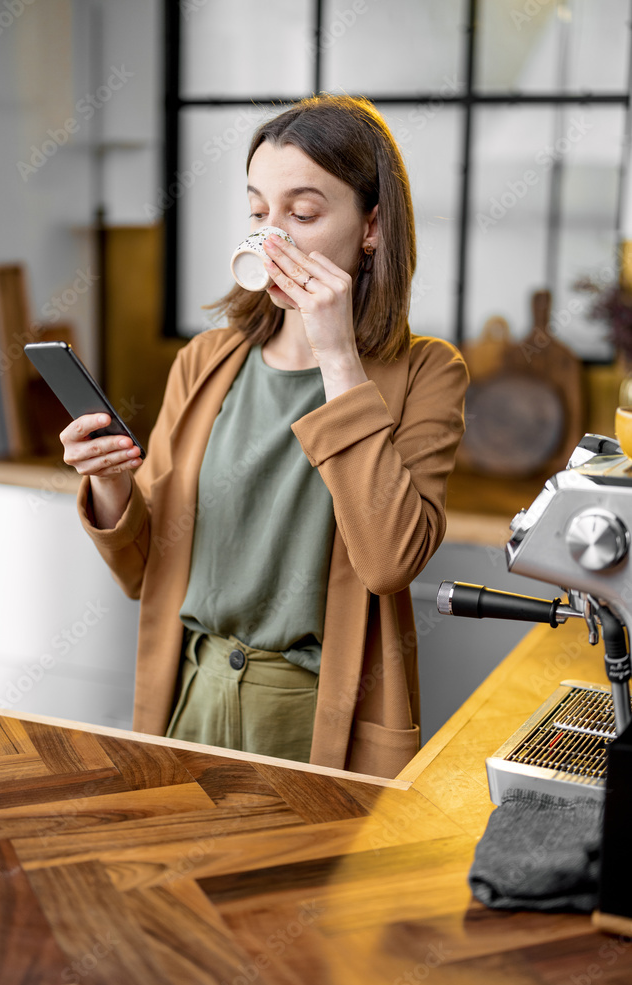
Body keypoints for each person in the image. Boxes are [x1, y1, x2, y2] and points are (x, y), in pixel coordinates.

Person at [61, 94, 469, 779]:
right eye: (258, 213)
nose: (270, 237)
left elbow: (389, 561)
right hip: (188, 698)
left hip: (315, 720)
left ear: (370, 227)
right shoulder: (207, 361)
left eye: (302, 214)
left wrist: (336, 355)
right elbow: (142, 572)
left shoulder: (427, 373)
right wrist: (109, 479)